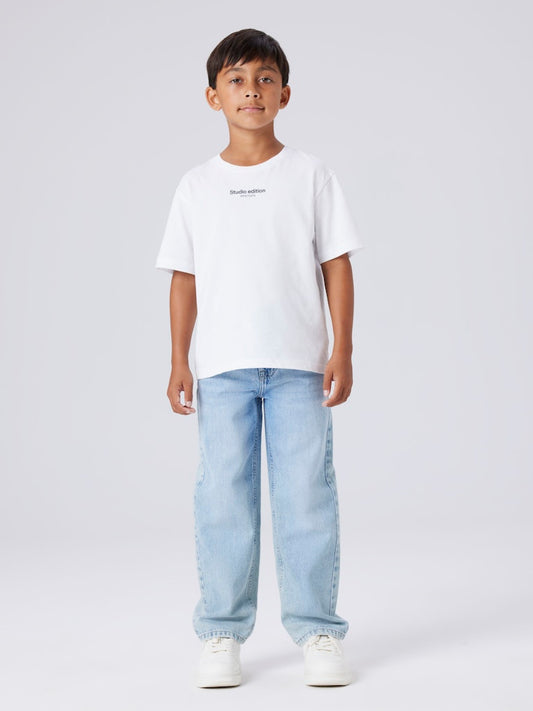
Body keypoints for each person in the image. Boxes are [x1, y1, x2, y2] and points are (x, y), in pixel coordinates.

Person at [155, 28, 365, 688]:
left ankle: (318, 630)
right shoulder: (196, 185)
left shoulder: (310, 175)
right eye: (238, 80)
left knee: (306, 498)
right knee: (223, 499)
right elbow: (183, 276)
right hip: (221, 368)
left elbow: (336, 263)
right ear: (213, 96)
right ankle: (221, 631)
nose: (252, 90)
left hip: (300, 364)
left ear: (285, 94)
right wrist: (179, 358)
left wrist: (342, 347)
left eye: (265, 79)